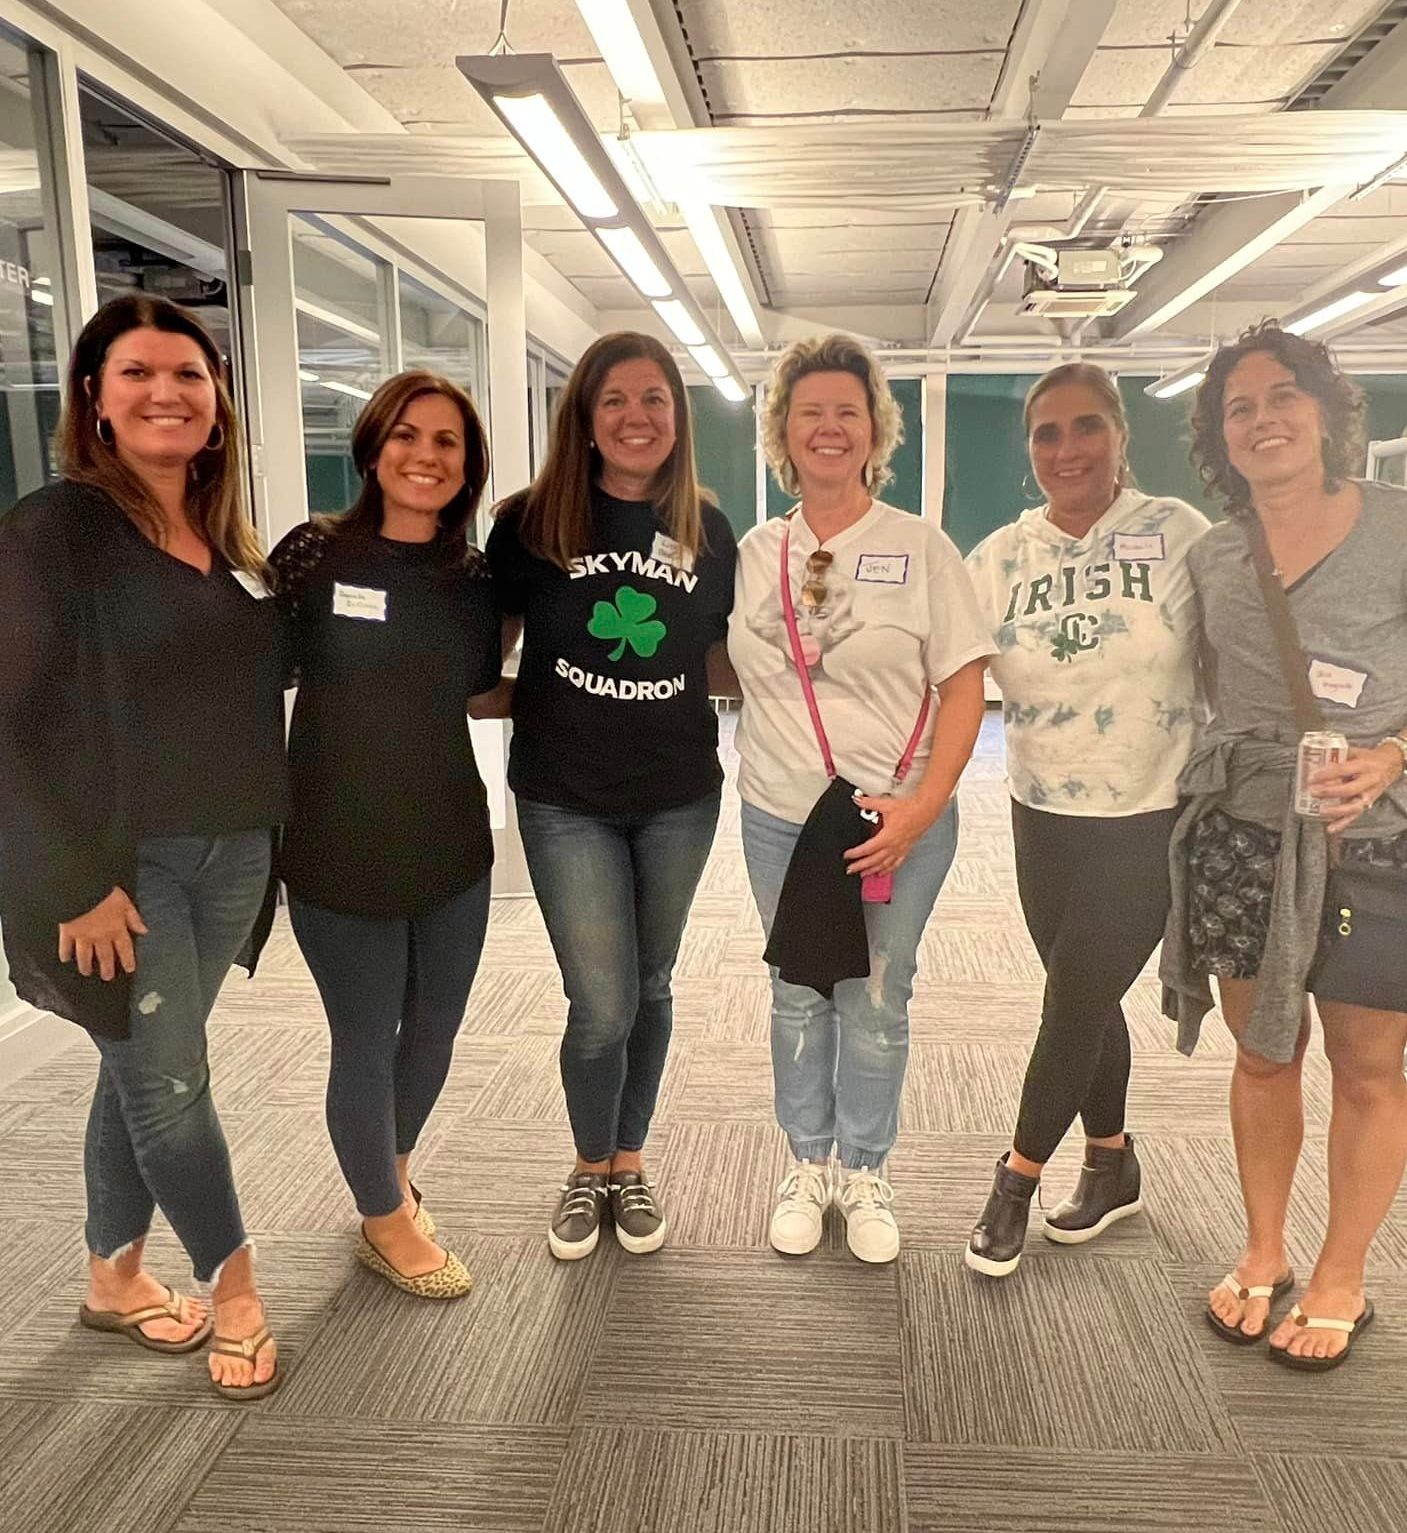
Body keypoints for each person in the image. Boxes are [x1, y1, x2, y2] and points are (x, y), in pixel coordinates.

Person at [1161, 321, 1407, 1370]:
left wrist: (1392, 754)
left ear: (1324, 408)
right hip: (1247, 831)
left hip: (1377, 830)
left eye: (1281, 397)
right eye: (1239, 408)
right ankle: (1263, 1249)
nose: (1263, 420)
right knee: (1264, 1053)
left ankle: (1343, 1270)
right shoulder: (1214, 554)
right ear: (1219, 435)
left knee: (1367, 1065)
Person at [0, 295, 288, 1399]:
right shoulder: (53, 531)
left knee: (141, 1065)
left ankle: (111, 1278)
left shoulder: (227, 541)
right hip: (122, 869)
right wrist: (73, 881)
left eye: (189, 376)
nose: (166, 392)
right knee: (171, 1087)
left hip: (233, 856)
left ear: (218, 409)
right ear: (94, 398)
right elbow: (11, 722)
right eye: (138, 373)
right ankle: (240, 1291)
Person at [729, 333, 993, 1264]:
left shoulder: (920, 548)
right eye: (811, 413)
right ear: (785, 433)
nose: (830, 428)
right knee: (799, 988)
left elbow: (966, 684)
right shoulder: (758, 550)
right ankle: (807, 1161)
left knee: (877, 993)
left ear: (875, 429)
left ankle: (866, 1168)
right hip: (777, 811)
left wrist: (922, 810)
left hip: (895, 817)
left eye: (849, 412)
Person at [486, 332, 736, 1261]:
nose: (637, 418)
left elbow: (718, 658)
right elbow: (486, 656)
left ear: (679, 416)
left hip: (678, 794)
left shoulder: (709, 529)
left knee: (653, 983)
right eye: (615, 402)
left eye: (655, 400)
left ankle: (630, 1162)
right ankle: (589, 1165)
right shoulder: (529, 523)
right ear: (585, 422)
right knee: (600, 1001)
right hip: (565, 798)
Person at [962, 364, 1210, 1277]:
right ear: (1030, 450)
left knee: (1069, 1001)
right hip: (1039, 812)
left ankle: (1014, 1182)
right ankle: (1112, 1162)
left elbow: (1234, 654)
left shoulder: (1178, 534)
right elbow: (946, 679)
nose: (1067, 449)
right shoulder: (998, 557)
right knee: (1086, 995)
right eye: (1047, 433)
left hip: (1149, 812)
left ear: (1119, 435)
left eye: (1087, 427)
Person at [270, 371, 504, 1300]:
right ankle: (382, 1220)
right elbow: (252, 684)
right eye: (406, 436)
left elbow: (478, 690)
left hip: (450, 833)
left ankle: (391, 1172)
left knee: (437, 1029)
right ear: (372, 448)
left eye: (446, 442)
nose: (424, 456)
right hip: (337, 842)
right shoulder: (313, 556)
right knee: (365, 1035)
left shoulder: (472, 574)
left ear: (467, 465)